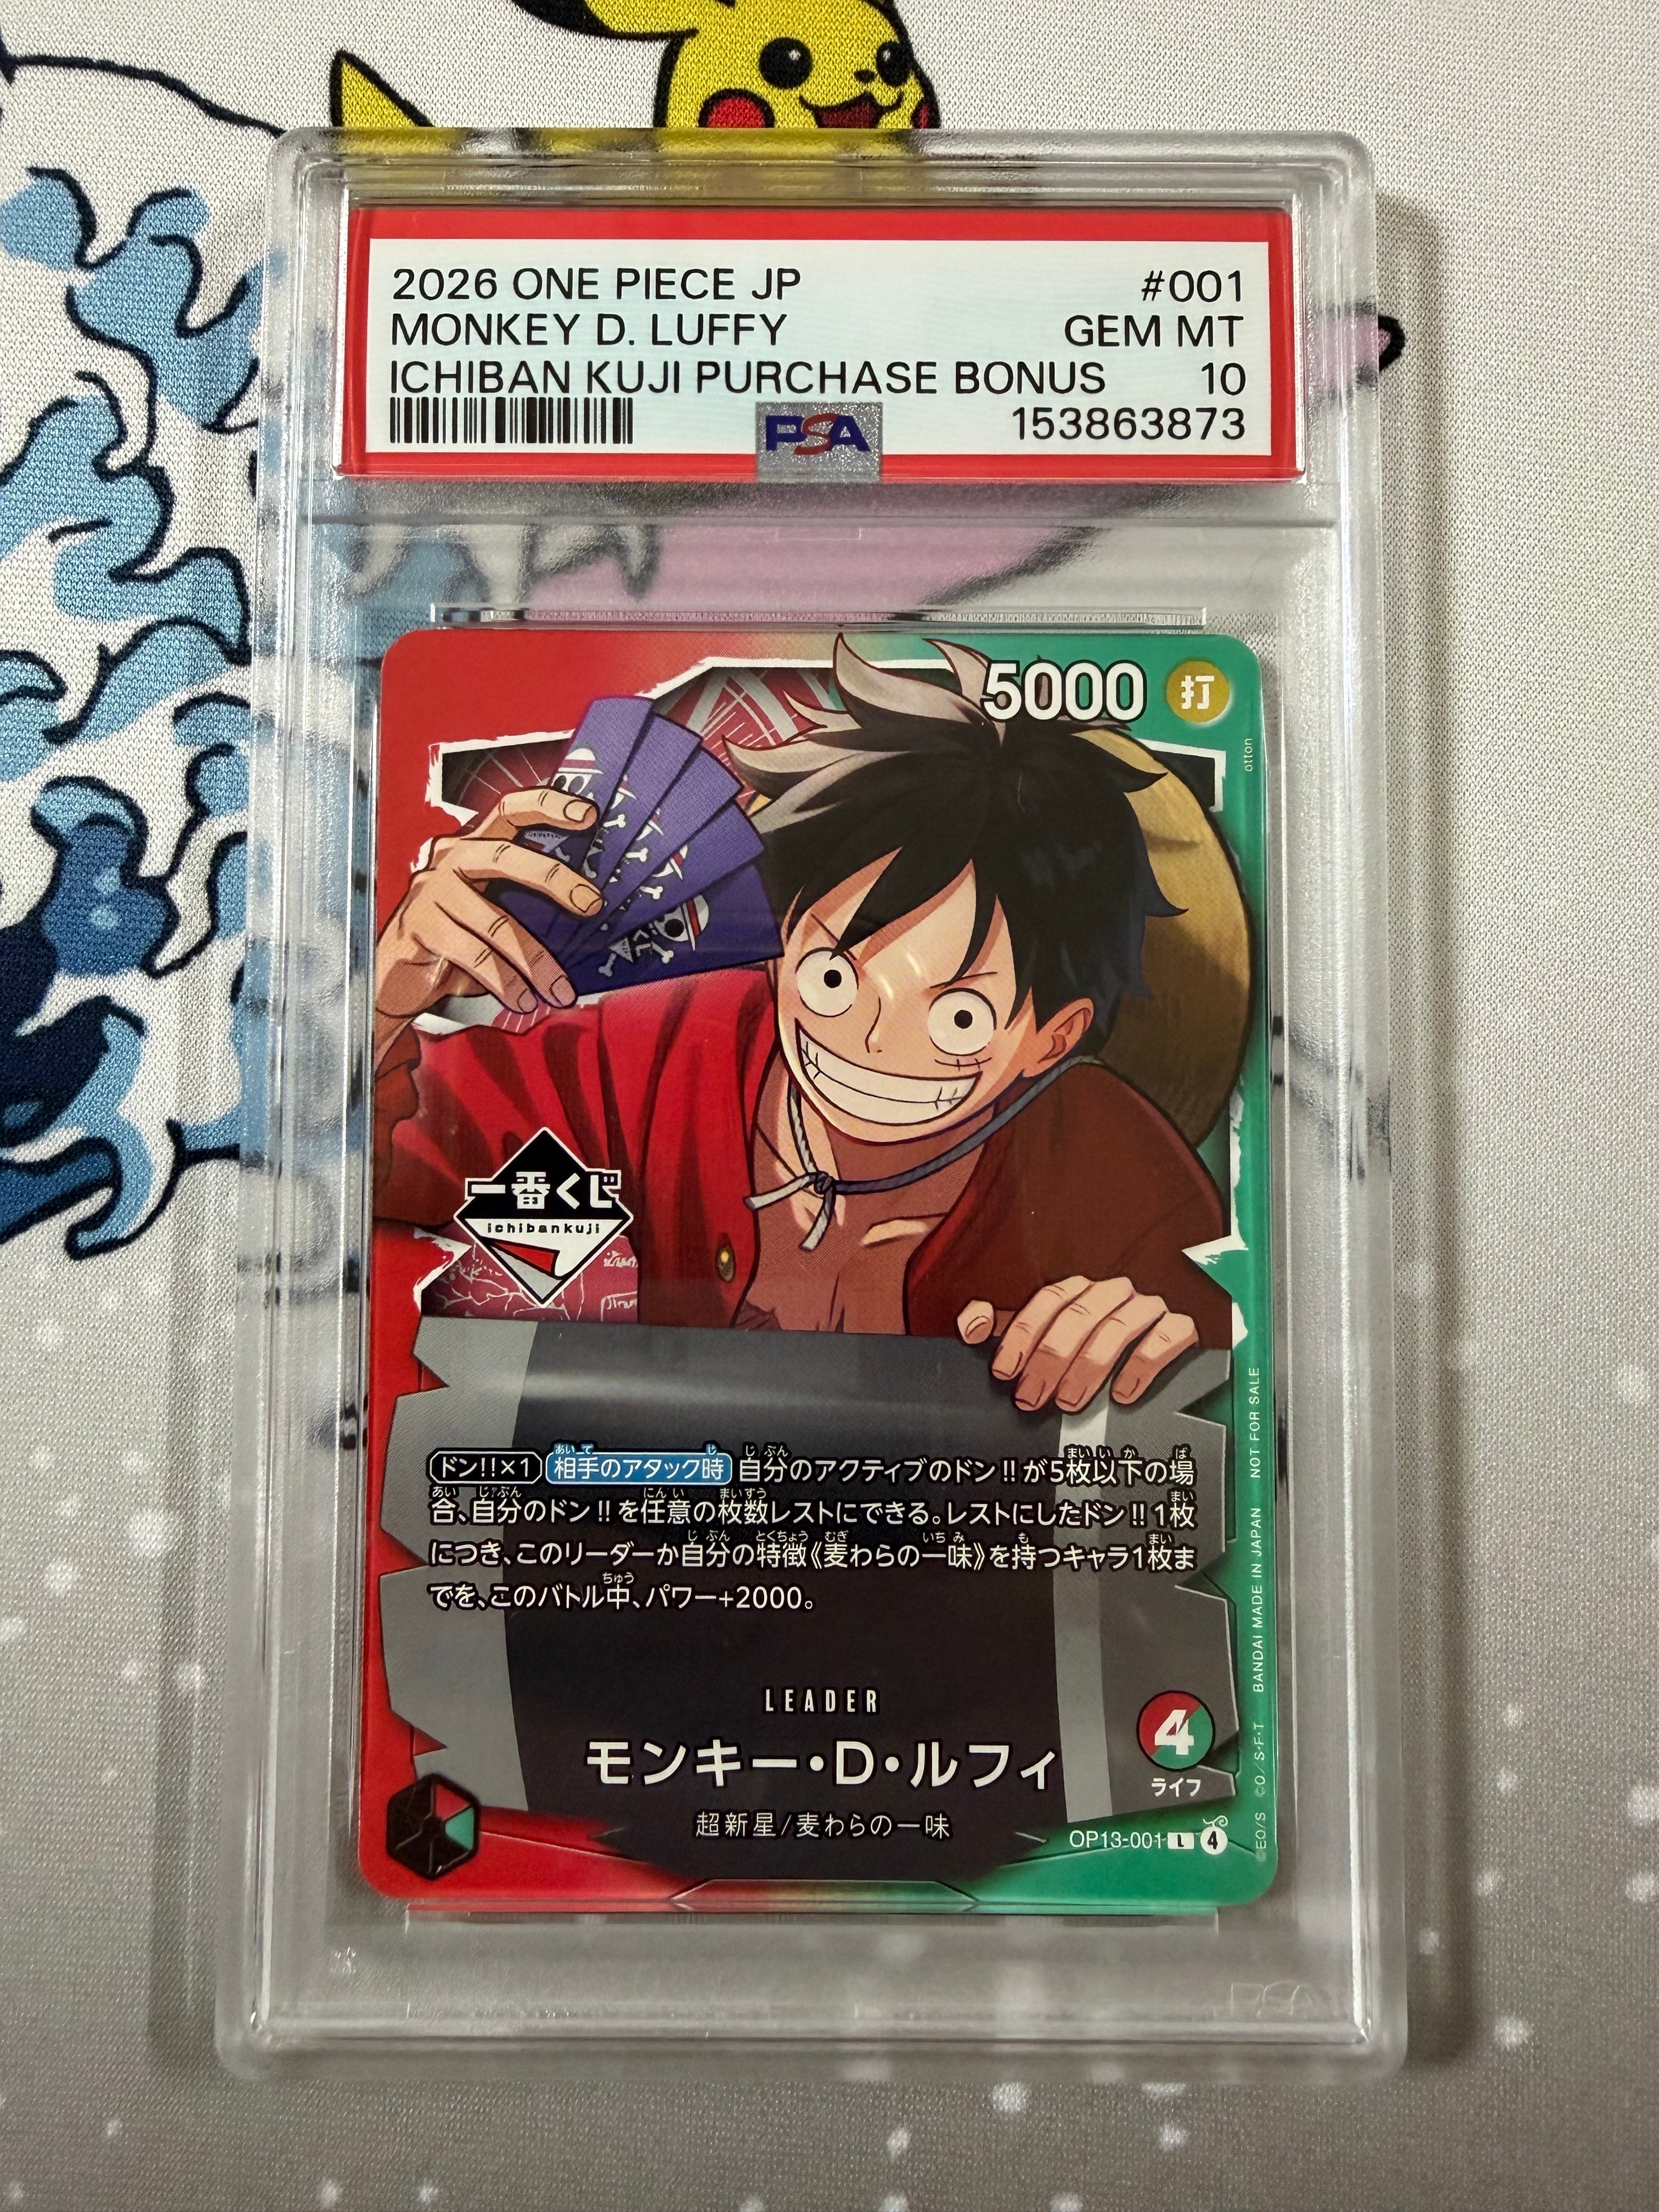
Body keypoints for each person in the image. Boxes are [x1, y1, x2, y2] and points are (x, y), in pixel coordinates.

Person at [373, 635, 1231, 1414]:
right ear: (781, 945)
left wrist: (1156, 1350)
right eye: (832, 977)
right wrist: (383, 1002)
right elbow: (385, 1167)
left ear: (1053, 1036)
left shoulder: (1114, 1178)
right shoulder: (659, 1053)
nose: (869, 1039)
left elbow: (1225, 1393)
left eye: (959, 1017)